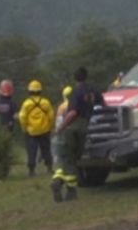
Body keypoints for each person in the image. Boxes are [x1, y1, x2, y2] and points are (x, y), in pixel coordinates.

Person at [51, 68, 98, 203]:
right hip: (82, 128)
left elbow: (71, 114)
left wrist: (60, 128)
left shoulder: (72, 96)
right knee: (71, 160)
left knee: (65, 160)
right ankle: (68, 189)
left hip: (69, 130)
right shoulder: (90, 92)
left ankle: (58, 181)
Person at [17, 80, 55, 177]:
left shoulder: (27, 103)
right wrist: (51, 127)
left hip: (31, 131)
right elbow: (51, 116)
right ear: (40, 91)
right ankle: (49, 168)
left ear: (30, 91)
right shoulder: (45, 102)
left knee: (31, 151)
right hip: (44, 130)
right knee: (46, 149)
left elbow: (22, 117)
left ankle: (31, 171)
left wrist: (24, 128)